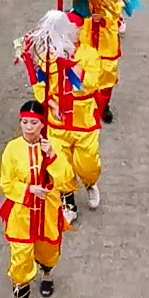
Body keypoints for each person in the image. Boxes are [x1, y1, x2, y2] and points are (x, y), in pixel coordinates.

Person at [0, 100, 75, 298]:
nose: (29, 127)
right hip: (22, 210)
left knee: (48, 250)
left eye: (33, 123)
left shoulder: (54, 144)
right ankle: (21, 286)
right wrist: (28, 189)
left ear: (42, 124)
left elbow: (66, 178)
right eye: (25, 122)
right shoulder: (12, 148)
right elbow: (6, 183)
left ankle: (47, 273)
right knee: (21, 254)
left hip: (48, 208)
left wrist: (51, 156)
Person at [33, 13, 106, 220]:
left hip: (84, 121)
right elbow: (40, 86)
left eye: (75, 30)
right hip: (58, 122)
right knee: (59, 164)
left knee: (88, 163)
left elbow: (90, 84)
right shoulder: (49, 56)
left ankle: (90, 182)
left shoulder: (90, 54)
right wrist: (52, 104)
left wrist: (70, 62)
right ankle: (68, 200)